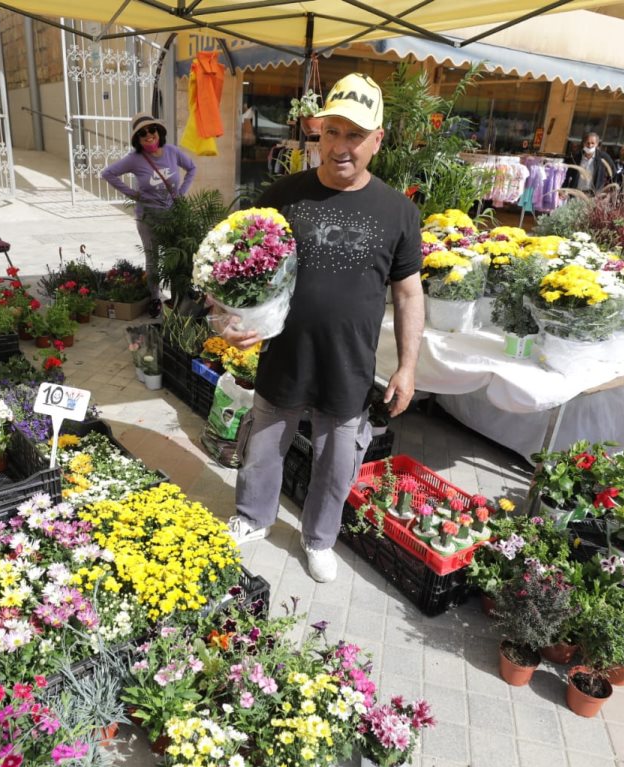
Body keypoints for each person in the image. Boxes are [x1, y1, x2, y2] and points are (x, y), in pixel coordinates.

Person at [213, 73, 424, 583]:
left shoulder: (398, 210)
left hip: (348, 365)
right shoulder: (284, 194)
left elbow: (409, 292)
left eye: (355, 135)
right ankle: (253, 516)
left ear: (377, 140)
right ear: (319, 133)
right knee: (263, 447)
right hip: (284, 355)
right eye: (332, 132)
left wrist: (408, 368)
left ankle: (318, 538)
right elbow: (238, 266)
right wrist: (228, 319)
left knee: (336, 463)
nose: (341, 146)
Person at [100, 114, 196, 318]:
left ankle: (179, 296)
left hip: (172, 217)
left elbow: (191, 168)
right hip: (148, 219)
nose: (148, 135)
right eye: (142, 133)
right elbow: (107, 173)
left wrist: (181, 192)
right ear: (138, 139)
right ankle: (154, 298)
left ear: (158, 132)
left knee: (177, 257)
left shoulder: (171, 152)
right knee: (153, 260)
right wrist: (133, 194)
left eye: (151, 130)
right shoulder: (135, 159)